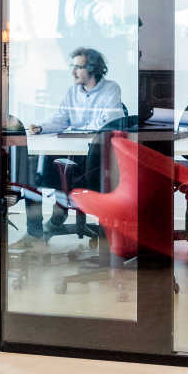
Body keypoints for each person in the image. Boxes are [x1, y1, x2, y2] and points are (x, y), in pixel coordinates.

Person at [28, 47, 124, 235]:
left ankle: (62, 210)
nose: (73, 72)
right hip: (74, 148)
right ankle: (43, 225)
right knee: (40, 164)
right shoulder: (72, 92)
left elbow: (111, 121)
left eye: (78, 67)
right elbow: (61, 119)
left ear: (93, 69)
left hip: (96, 152)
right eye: (73, 67)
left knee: (71, 167)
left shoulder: (111, 88)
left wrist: (81, 129)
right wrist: (42, 127)